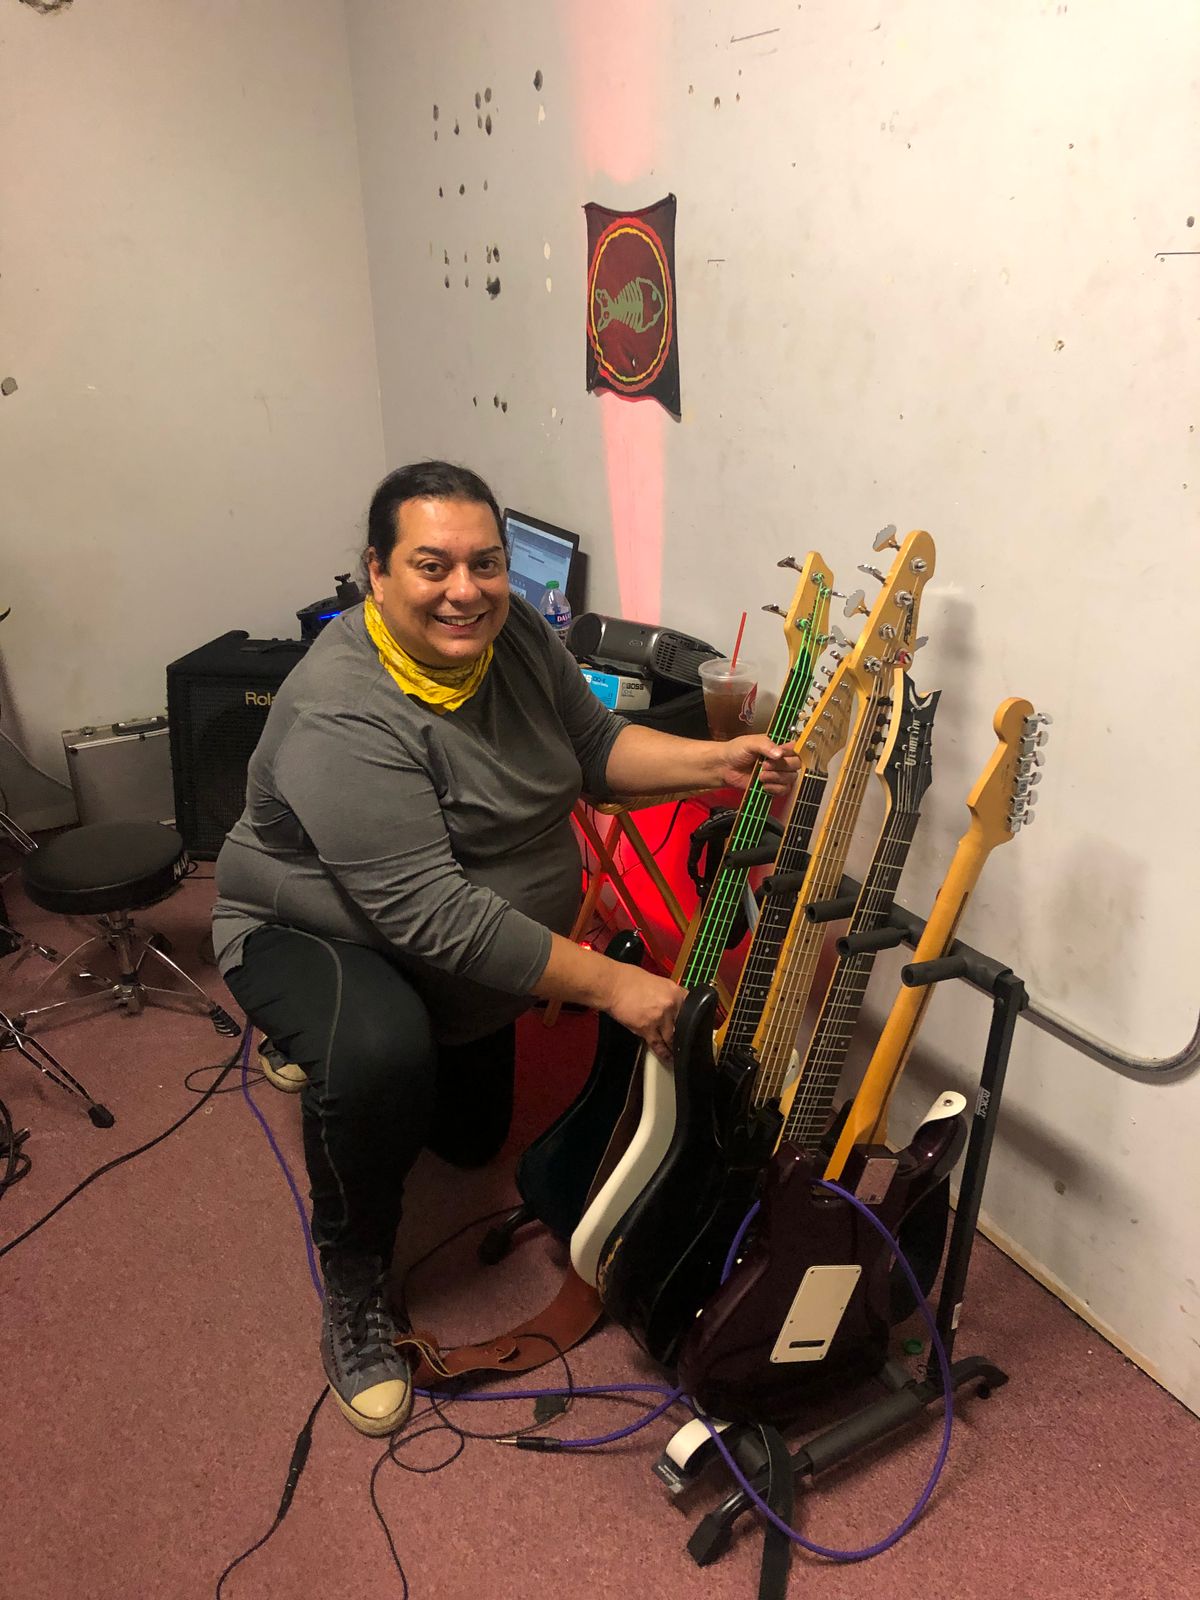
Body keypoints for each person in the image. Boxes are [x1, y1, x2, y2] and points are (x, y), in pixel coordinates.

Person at [212, 460, 799, 1436]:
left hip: (448, 940)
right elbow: (433, 914)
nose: (466, 589)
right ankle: (353, 1280)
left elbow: (597, 749)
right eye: (431, 565)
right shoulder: (338, 711)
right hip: (312, 924)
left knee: (471, 1138)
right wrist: (616, 985)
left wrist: (717, 762)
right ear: (376, 572)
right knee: (377, 1056)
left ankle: (353, 1051)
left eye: (485, 563)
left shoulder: (514, 633)